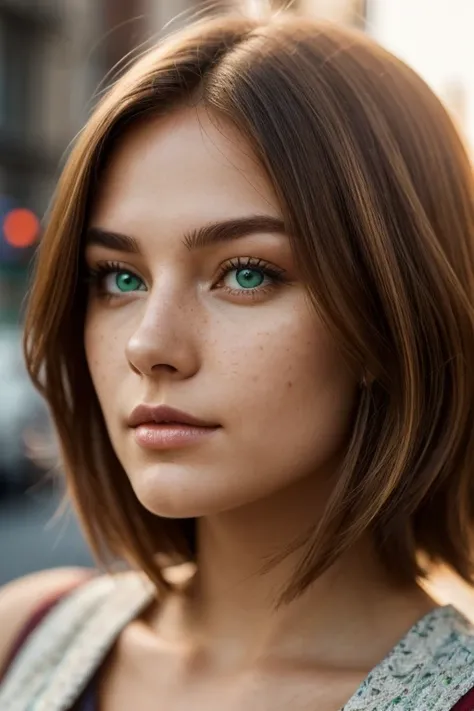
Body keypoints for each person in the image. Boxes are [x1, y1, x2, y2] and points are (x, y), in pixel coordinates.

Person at [1, 9, 474, 711]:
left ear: (391, 313)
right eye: (118, 277)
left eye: (247, 272)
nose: (148, 344)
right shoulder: (22, 639)